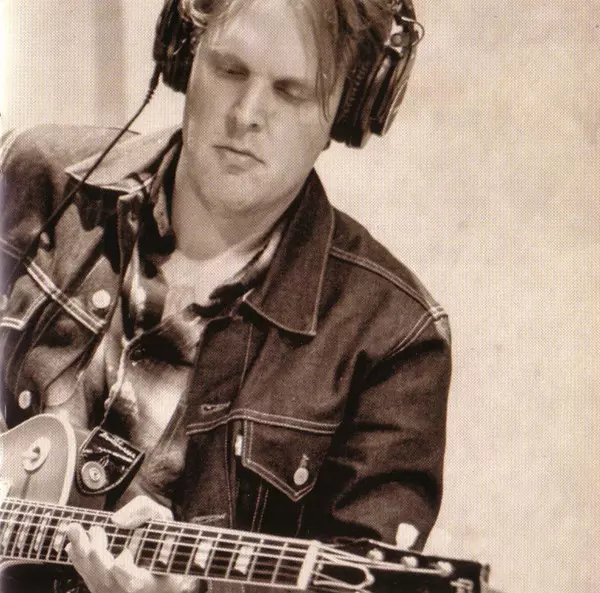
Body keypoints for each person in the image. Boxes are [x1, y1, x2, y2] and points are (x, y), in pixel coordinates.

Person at [0, 0, 451, 592]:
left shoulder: (395, 337)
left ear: (348, 109)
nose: (246, 114)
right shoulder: (31, 177)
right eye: (230, 69)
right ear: (183, 55)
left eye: (291, 91)